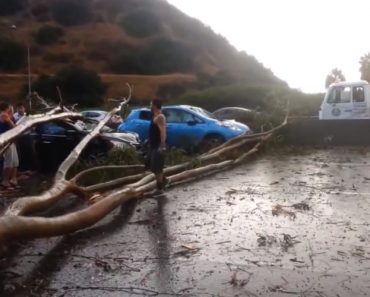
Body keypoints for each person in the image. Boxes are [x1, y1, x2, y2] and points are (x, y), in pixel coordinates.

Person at [146, 99, 168, 192]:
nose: (150, 106)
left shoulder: (160, 117)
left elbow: (163, 131)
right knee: (152, 167)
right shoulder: (153, 115)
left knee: (157, 168)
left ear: (155, 105)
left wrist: (162, 145)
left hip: (158, 145)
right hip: (152, 144)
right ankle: (164, 180)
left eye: (151, 104)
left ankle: (160, 189)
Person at [0, 102, 19, 189]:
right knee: (8, 161)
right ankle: (5, 180)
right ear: (7, 108)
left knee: (15, 161)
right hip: (6, 140)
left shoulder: (8, 115)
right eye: (9, 108)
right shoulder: (4, 115)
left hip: (11, 140)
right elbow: (14, 127)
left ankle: (13, 179)